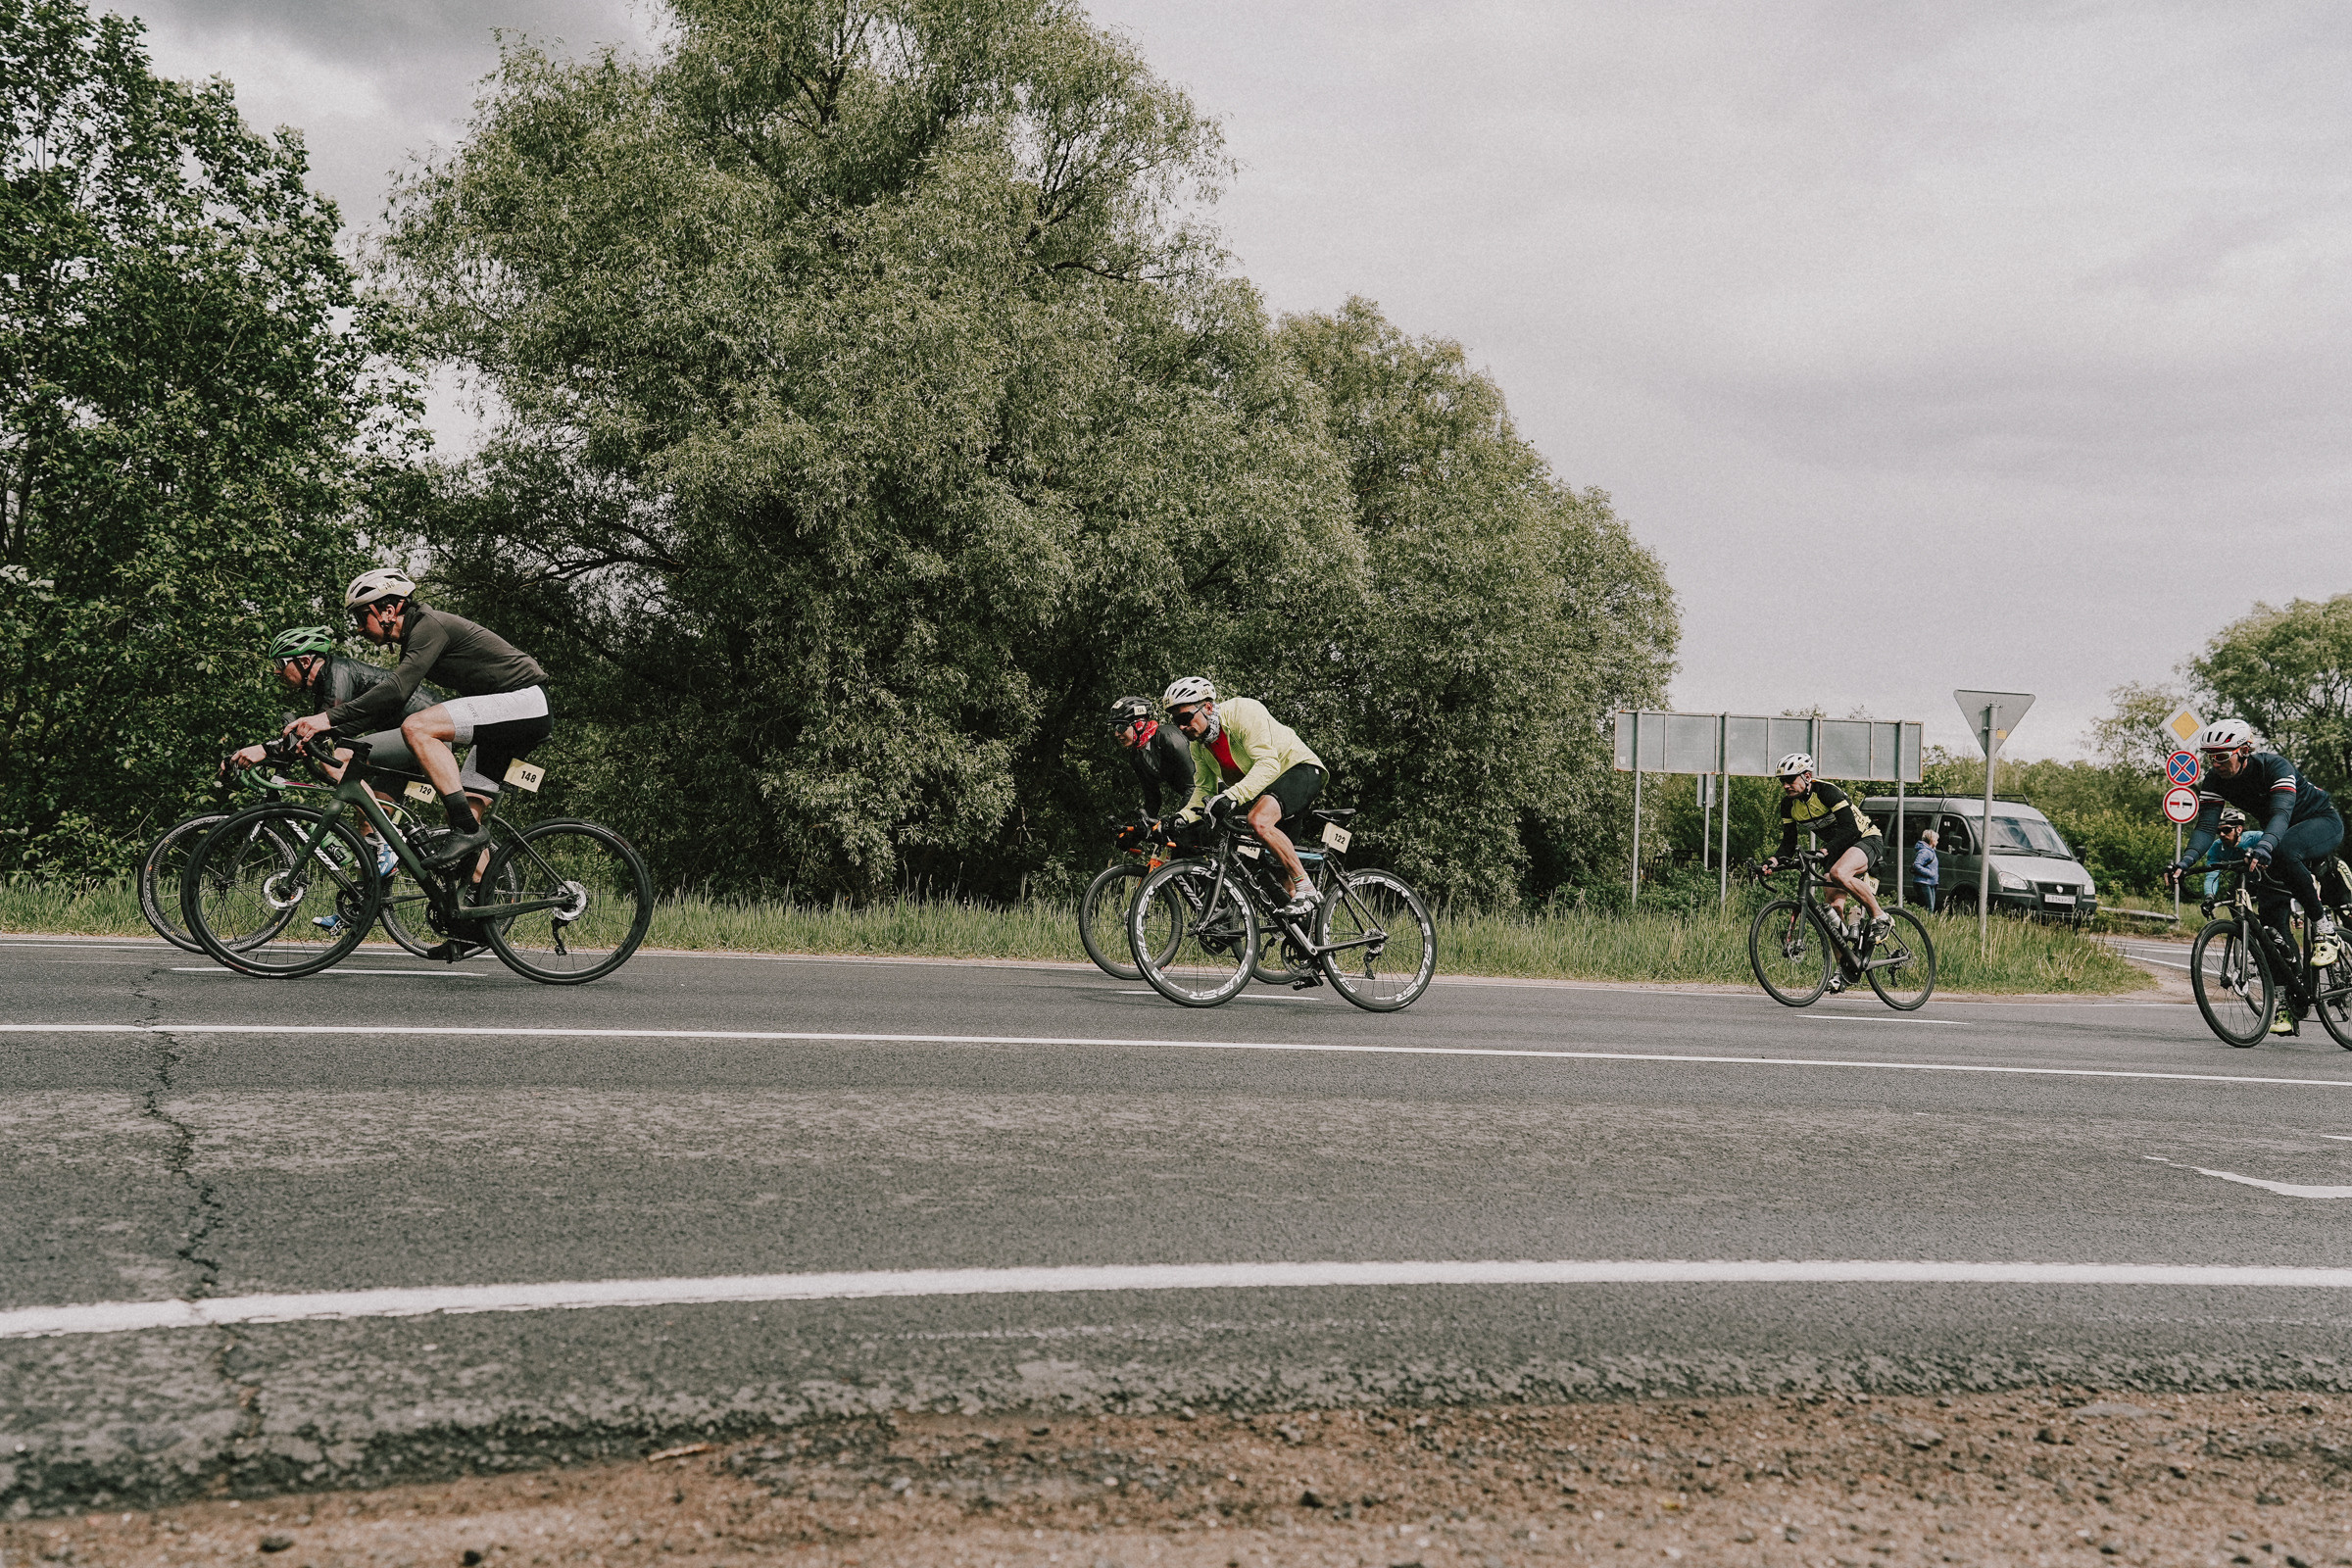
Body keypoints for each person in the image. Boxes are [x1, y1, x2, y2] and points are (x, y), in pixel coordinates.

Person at [288, 570, 552, 956]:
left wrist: (326, 720)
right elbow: (383, 700)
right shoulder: (417, 633)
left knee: (418, 727)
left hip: (525, 702)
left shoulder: (429, 625)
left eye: (363, 618)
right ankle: (475, 928)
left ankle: (465, 828)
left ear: (390, 609)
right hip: (504, 721)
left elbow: (396, 690)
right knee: (471, 825)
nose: (360, 629)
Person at [2168, 720, 2343, 1036]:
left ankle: (2324, 929)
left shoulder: (2275, 767)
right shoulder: (2214, 780)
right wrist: (2186, 861)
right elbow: (2207, 828)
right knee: (2271, 923)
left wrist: (2263, 846)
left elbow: (2281, 815)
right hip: (2279, 838)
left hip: (2319, 823)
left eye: (2222, 756)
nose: (2216, 763)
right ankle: (2289, 1001)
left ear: (2244, 750)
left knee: (2285, 851)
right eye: (2210, 756)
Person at [1160, 677, 1327, 916]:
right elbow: (1203, 791)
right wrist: (1181, 817)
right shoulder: (1199, 747)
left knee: (1257, 820)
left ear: (1207, 707)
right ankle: (1307, 938)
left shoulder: (1243, 712)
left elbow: (1268, 764)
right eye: (1177, 722)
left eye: (1186, 718)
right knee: (1276, 868)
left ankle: (1308, 890)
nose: (1182, 727)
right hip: (1270, 788)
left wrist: (1230, 796)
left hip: (1299, 769)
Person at [1759, 752, 1888, 939]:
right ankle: (1843, 966)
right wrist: (1771, 862)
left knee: (1839, 873)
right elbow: (1788, 843)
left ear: (1807, 776)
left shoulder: (1827, 792)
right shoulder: (1788, 805)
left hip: (1865, 838)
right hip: (1838, 847)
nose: (1786, 785)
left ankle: (1880, 916)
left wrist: (1824, 851)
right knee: (1833, 912)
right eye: (1782, 781)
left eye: (1790, 779)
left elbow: (1850, 830)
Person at [1107, 695, 1196, 834]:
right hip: (1194, 800)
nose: (1116, 733)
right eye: (1114, 727)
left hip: (1217, 793)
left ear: (1139, 723)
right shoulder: (1136, 757)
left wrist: (1176, 819)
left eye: (1120, 726)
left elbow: (1193, 786)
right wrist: (1133, 833)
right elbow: (1153, 799)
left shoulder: (1168, 738)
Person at [1910, 829, 1939, 914]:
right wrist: (1930, 873)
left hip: (1930, 882)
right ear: (1931, 840)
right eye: (1936, 839)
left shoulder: (1930, 851)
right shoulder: (1925, 852)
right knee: (1929, 908)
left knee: (1931, 907)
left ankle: (1927, 923)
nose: (1937, 842)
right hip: (1924, 882)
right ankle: (1926, 924)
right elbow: (1917, 865)